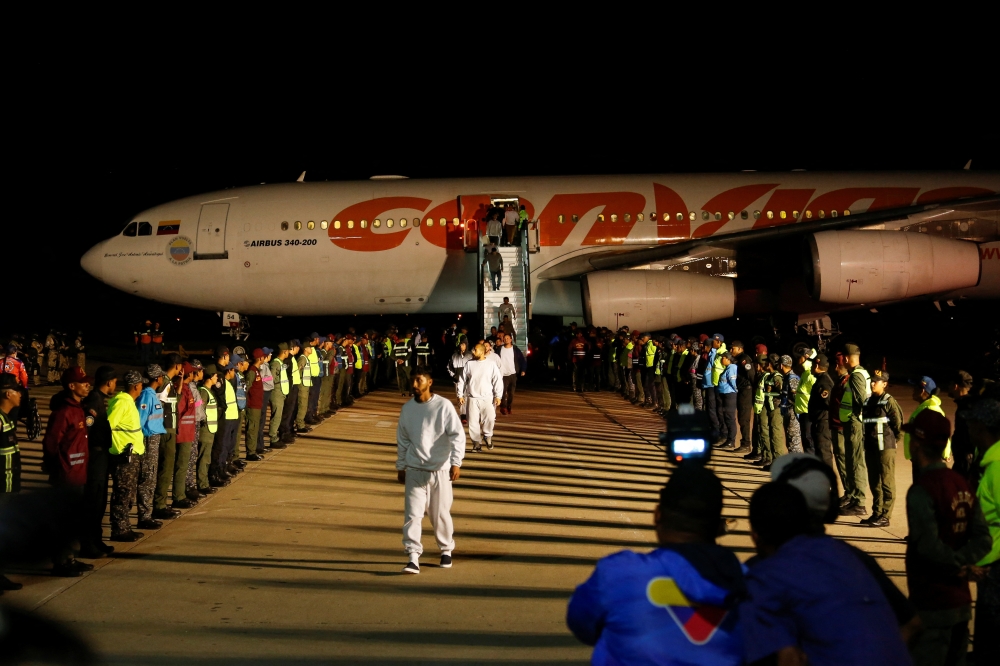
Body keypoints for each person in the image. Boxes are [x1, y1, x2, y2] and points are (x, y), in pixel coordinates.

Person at [567, 466, 745, 665]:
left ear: (657, 515)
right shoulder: (752, 585)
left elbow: (581, 623)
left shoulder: (619, 574)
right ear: (720, 527)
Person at [742, 482, 911, 665]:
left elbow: (786, 659)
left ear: (755, 535)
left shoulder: (762, 576)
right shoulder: (849, 554)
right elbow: (914, 622)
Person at [903, 409, 991, 666]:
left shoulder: (922, 491)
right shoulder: (960, 482)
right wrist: (964, 563)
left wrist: (957, 566)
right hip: (961, 606)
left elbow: (928, 547)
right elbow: (983, 538)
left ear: (917, 443)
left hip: (931, 607)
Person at [395, 370, 465, 574]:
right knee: (412, 515)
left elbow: (457, 435)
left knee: (440, 514)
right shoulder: (407, 409)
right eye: (413, 380)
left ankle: (446, 550)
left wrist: (456, 462)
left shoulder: (443, 406)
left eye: (419, 380)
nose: (415, 384)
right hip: (415, 469)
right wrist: (401, 466)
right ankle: (413, 556)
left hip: (440, 470)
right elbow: (403, 440)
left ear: (429, 382)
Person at [43, 367, 93, 576]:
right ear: (71, 386)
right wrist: (58, 467)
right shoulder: (64, 411)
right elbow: (51, 443)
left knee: (74, 520)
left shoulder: (78, 408)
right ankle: (61, 562)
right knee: (64, 520)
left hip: (78, 473)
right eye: (83, 383)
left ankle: (70, 558)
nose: (87, 386)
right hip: (67, 474)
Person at [966, 399, 1000, 663]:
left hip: (995, 569)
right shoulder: (989, 461)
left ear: (982, 426)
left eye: (971, 423)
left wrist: (985, 561)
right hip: (990, 566)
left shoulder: (997, 468)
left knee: (990, 641)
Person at [861, 370, 903, 527]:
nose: (872, 383)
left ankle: (886, 515)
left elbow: (899, 425)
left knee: (887, 481)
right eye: (872, 381)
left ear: (884, 384)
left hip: (885, 447)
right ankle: (877, 512)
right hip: (871, 447)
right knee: (874, 482)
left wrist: (893, 441)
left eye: (876, 381)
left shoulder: (888, 401)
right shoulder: (867, 402)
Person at [108, 371, 146, 542]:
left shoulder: (128, 402)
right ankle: (119, 529)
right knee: (122, 493)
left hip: (132, 454)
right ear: (136, 386)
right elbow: (108, 425)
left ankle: (125, 527)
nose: (142, 387)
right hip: (124, 455)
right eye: (141, 385)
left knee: (128, 493)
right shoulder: (121, 402)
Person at [838, 343, 870, 518]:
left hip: (855, 424)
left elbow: (861, 401)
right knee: (852, 461)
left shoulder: (857, 376)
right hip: (852, 423)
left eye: (843, 357)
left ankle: (859, 502)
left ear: (847, 358)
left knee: (856, 462)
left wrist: (856, 420)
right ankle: (853, 497)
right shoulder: (860, 373)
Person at [456, 343, 503, 453]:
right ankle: (476, 443)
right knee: (472, 422)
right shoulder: (469, 364)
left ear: (482, 352)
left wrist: (498, 396)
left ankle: (487, 436)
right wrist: (460, 395)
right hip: (472, 398)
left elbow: (497, 380)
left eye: (475, 350)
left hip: (488, 398)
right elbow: (462, 380)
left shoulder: (491, 364)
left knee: (490, 419)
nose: (473, 352)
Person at [136, 365, 168, 530]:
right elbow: (140, 421)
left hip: (155, 439)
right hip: (149, 439)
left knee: (152, 476)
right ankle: (144, 516)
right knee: (147, 478)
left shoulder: (151, 395)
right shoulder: (146, 396)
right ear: (157, 378)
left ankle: (147, 513)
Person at [905, 376, 950, 482]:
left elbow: (942, 433)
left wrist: (945, 453)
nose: (912, 390)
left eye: (915, 388)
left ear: (922, 391)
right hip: (920, 458)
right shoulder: (923, 408)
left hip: (925, 459)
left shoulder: (930, 409)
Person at [808, 354, 837, 474]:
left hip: (823, 422)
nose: (810, 367)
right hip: (819, 421)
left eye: (812, 364)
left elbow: (828, 402)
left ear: (817, 365)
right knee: (819, 452)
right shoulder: (820, 380)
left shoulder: (824, 382)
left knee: (823, 452)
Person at [947, 370, 977, 484]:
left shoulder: (967, 407)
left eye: (949, 385)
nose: (948, 388)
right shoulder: (967, 404)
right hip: (964, 460)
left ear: (955, 386)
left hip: (966, 462)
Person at [196, 366, 219, 497]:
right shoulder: (203, 391)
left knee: (207, 457)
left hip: (211, 429)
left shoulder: (209, 391)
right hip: (206, 430)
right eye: (215, 376)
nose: (217, 379)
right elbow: (201, 410)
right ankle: (202, 484)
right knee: (203, 458)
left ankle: (204, 482)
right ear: (210, 377)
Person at [730, 340, 755, 454]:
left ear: (740, 349)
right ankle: (745, 442)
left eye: (733, 348)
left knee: (744, 418)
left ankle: (746, 443)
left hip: (746, 390)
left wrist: (750, 387)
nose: (731, 350)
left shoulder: (744, 359)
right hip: (741, 389)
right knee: (741, 417)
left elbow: (750, 375)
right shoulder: (738, 359)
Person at [0, 374, 22, 497]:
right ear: (8, 394)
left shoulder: (6, 418)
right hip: (2, 489)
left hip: (9, 486)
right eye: (17, 391)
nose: (20, 395)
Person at [778, 355, 803, 454]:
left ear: (781, 365)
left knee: (794, 441)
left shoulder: (791, 378)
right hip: (788, 412)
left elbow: (795, 397)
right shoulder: (787, 377)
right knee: (790, 440)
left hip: (792, 413)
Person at [244, 349, 266, 462]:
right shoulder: (252, 371)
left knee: (255, 428)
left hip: (257, 405)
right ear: (260, 358)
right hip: (252, 406)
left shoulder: (256, 370)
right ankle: (250, 452)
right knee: (252, 429)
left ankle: (253, 450)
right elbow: (247, 388)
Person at [497, 333, 526, 416]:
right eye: (504, 338)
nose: (506, 339)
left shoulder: (515, 350)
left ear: (511, 339)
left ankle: (509, 405)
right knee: (503, 391)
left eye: (507, 338)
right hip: (503, 374)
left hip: (513, 374)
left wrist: (523, 370)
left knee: (511, 393)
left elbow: (522, 360)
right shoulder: (499, 349)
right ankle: (504, 407)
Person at [715, 352, 738, 450]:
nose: (721, 359)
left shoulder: (732, 367)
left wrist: (735, 390)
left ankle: (731, 440)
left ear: (728, 359)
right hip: (724, 394)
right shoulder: (727, 368)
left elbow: (733, 381)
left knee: (729, 417)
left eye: (723, 358)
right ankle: (728, 438)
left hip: (729, 395)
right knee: (724, 416)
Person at [269, 343, 290, 448]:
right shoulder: (276, 363)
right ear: (285, 351)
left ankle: (275, 436)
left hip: (281, 392)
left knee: (279, 415)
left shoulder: (280, 363)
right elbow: (270, 378)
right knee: (276, 416)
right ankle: (273, 438)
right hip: (276, 392)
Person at [447, 341, 473, 425]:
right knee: (459, 397)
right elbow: (449, 367)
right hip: (457, 380)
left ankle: (466, 414)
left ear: (466, 346)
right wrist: (454, 375)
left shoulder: (470, 355)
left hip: (468, 381)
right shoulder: (454, 355)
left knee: (467, 397)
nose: (462, 346)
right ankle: (463, 415)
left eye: (464, 345)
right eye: (461, 344)